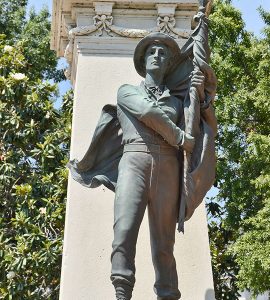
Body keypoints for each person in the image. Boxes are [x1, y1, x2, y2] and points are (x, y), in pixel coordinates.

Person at [68, 30, 217, 300]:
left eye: (163, 53)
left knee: (164, 244)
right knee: (124, 231)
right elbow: (149, 113)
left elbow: (201, 128)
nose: (157, 55)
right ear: (144, 60)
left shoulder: (176, 101)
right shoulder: (126, 92)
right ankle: (122, 292)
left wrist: (201, 95)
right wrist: (181, 137)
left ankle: (168, 294)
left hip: (168, 168)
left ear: (169, 62)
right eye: (152, 52)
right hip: (134, 163)